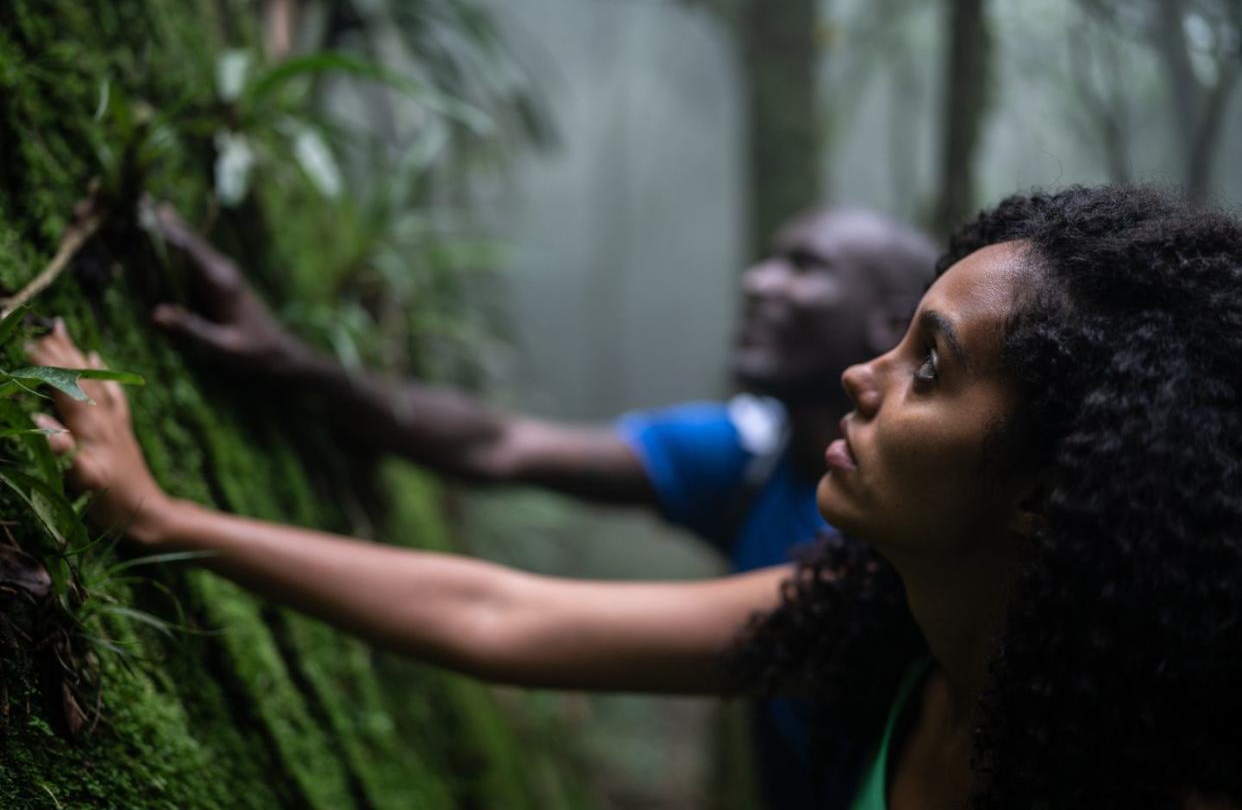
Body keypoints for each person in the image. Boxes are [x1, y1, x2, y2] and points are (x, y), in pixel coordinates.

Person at [31, 183, 1242, 808]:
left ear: (1048, 487)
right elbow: (502, 613)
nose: (860, 381)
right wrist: (161, 518)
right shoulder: (868, 617)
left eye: (930, 363)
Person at [145, 202, 938, 807]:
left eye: (805, 267)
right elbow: (500, 444)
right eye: (770, 258)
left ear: (886, 322)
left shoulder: (898, 561)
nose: (758, 280)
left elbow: (496, 616)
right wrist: (294, 365)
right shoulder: (752, 451)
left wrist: (162, 518)